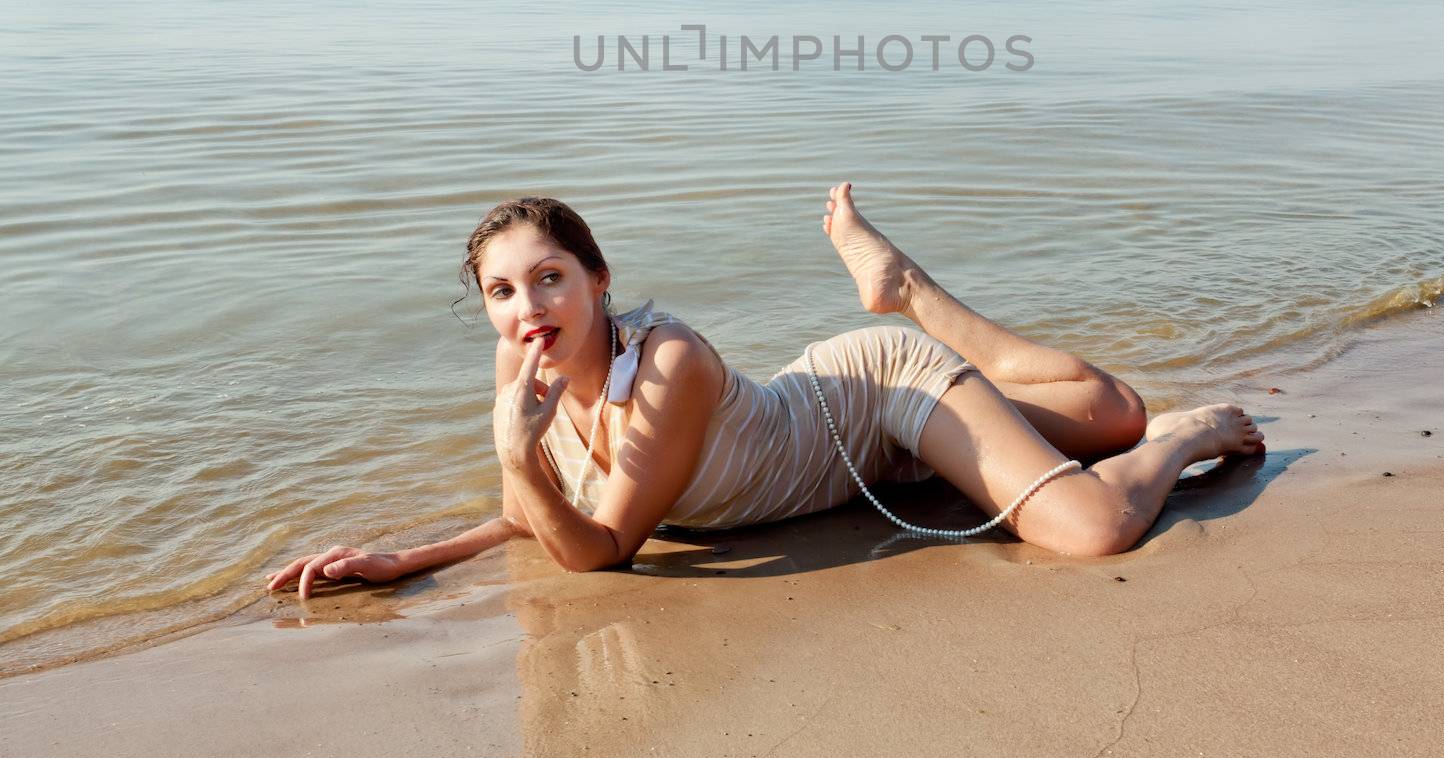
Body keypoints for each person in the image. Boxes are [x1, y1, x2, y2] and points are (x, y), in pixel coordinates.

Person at [267, 183, 1263, 599]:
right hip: (850, 454)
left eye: (550, 277)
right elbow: (534, 514)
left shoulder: (668, 363)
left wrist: (512, 452)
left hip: (871, 401)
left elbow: (602, 549)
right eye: (500, 291)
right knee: (1103, 410)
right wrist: (408, 557)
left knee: (1091, 520)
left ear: (597, 279)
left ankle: (1183, 429)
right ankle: (907, 291)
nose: (527, 305)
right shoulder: (519, 367)